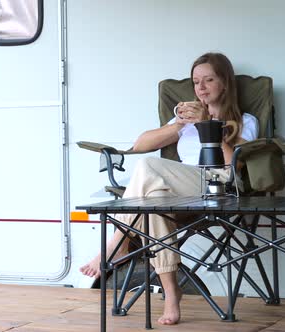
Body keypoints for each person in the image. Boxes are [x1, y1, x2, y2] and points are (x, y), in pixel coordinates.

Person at [79, 52, 259, 325]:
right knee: (153, 204)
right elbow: (139, 145)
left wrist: (206, 125)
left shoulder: (245, 120)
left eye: (209, 80)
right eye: (196, 81)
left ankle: (118, 241)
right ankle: (172, 295)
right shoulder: (185, 121)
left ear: (225, 83)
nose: (201, 87)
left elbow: (233, 163)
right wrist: (178, 124)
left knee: (149, 167)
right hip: (179, 188)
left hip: (216, 183)